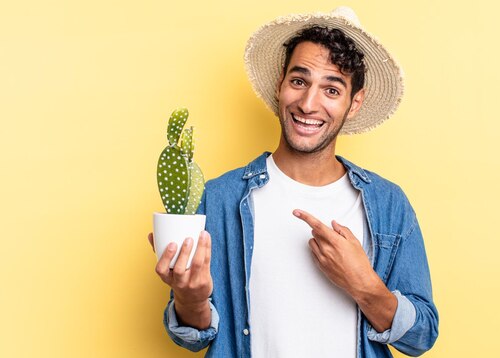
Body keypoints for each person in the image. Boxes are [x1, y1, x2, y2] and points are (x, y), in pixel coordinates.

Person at [148, 6, 438, 358]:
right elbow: (193, 336)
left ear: (354, 102)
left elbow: (421, 336)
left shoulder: (388, 205)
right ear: (280, 84)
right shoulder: (220, 198)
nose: (308, 103)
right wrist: (189, 298)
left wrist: (364, 284)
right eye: (299, 81)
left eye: (332, 90)